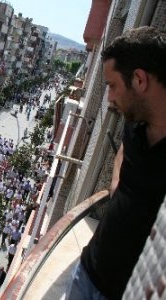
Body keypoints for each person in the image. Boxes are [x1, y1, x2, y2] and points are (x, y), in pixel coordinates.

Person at [68, 27, 166, 300]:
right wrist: (116, 182)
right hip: (88, 270)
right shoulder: (135, 122)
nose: (109, 97)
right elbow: (124, 147)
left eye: (112, 86)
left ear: (139, 80)